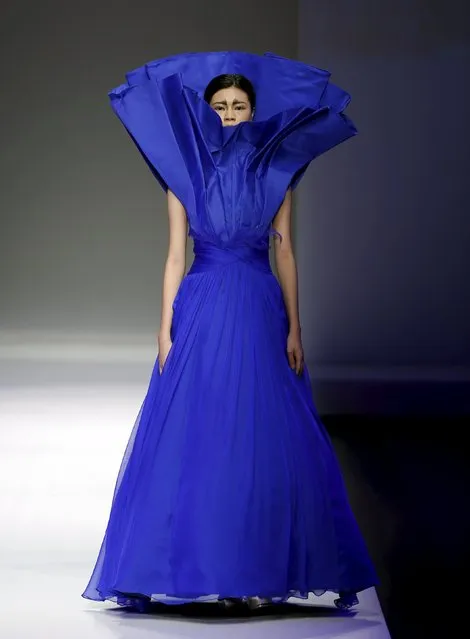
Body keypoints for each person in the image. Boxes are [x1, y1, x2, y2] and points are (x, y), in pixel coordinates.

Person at [81, 51, 378, 613]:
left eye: (239, 106)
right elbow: (173, 257)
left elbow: (285, 252)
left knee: (266, 433)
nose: (229, 114)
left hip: (259, 305)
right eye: (219, 106)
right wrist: (164, 325)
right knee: (202, 431)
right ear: (205, 113)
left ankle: (258, 571)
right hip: (202, 305)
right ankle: (193, 564)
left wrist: (295, 325)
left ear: (253, 112)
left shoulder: (277, 172)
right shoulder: (183, 176)